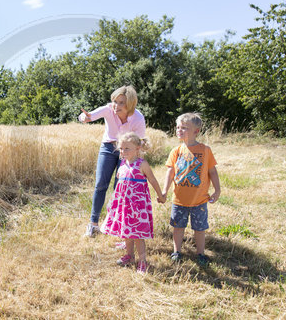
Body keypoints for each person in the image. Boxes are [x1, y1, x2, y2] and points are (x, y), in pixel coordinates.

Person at [79, 86, 146, 237]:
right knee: (100, 185)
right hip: (108, 148)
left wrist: (136, 163)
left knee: (120, 188)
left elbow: (139, 142)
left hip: (127, 150)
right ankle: (93, 224)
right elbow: (88, 116)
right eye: (115, 101)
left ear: (130, 104)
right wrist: (85, 118)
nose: (116, 105)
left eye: (121, 102)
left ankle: (116, 224)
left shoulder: (138, 118)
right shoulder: (108, 110)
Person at [160, 112, 221, 266]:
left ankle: (200, 254)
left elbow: (212, 171)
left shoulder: (205, 150)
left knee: (199, 228)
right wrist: (164, 191)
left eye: (185, 128)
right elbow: (170, 172)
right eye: (178, 127)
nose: (179, 130)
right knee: (178, 226)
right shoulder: (176, 151)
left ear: (196, 131)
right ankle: (177, 251)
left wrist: (217, 190)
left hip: (199, 200)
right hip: (179, 199)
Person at [100, 132, 164, 274]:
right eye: (121, 149)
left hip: (138, 206)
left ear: (138, 148)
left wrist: (161, 195)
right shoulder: (122, 163)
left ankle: (142, 261)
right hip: (124, 205)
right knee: (127, 233)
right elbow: (120, 182)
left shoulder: (142, 164)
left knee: (138, 235)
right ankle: (129, 256)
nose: (123, 151)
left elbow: (152, 180)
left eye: (127, 148)